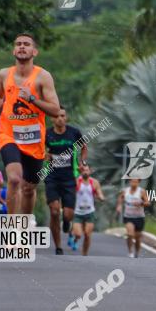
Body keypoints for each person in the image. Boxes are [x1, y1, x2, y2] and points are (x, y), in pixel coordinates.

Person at [0, 33, 60, 214]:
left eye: (26, 44)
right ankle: (13, 231)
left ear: (34, 51)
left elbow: (55, 110)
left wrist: (33, 99)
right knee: (14, 180)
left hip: (34, 139)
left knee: (29, 188)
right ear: (13, 50)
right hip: (8, 134)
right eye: (18, 44)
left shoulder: (43, 77)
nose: (21, 47)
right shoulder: (4, 74)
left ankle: (24, 227)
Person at [45, 107, 86, 255]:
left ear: (66, 117)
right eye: (57, 116)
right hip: (52, 177)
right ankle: (58, 246)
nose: (60, 119)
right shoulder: (47, 133)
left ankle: (67, 222)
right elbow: (38, 148)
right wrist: (44, 154)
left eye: (62, 116)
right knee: (54, 211)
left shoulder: (73, 132)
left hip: (69, 177)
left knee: (68, 214)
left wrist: (82, 163)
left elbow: (84, 147)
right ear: (52, 119)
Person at [70, 163, 104, 256]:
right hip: (78, 212)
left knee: (88, 235)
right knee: (78, 234)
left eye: (87, 170)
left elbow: (99, 193)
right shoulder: (77, 181)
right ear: (81, 171)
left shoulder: (94, 182)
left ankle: (84, 254)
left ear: (90, 171)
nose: (85, 172)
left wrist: (101, 197)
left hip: (90, 212)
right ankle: (75, 238)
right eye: (83, 170)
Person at [116, 177, 150, 258]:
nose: (134, 183)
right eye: (132, 181)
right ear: (130, 181)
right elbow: (120, 198)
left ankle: (137, 252)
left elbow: (148, 203)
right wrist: (119, 206)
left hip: (139, 217)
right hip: (128, 216)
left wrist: (141, 203)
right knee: (130, 234)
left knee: (138, 238)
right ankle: (130, 251)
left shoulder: (141, 191)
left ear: (139, 182)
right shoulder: (125, 191)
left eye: (136, 182)